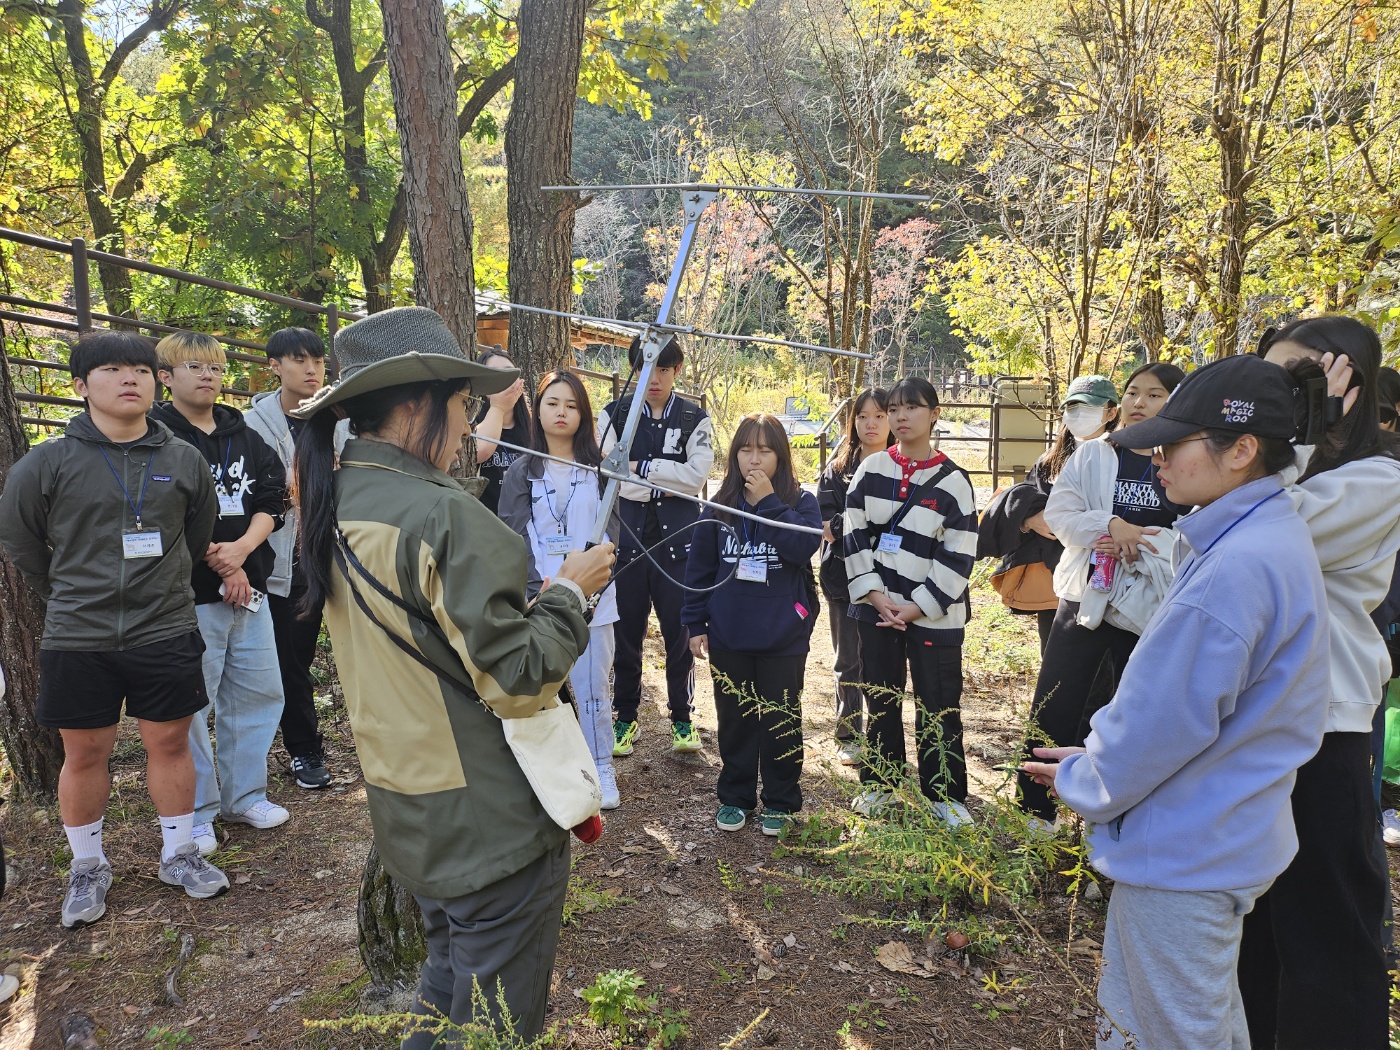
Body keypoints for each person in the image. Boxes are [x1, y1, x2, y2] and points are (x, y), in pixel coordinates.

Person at [291, 307, 615, 1043]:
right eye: (464, 405)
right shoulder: (445, 517)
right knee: (496, 1024)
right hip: (487, 818)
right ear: (415, 405)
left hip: (409, 807)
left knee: (447, 987)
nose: (471, 425)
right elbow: (520, 680)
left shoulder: (339, 497)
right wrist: (569, 593)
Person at [1023, 353, 1332, 1050]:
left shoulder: (1235, 567)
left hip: (1187, 850)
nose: (1156, 457)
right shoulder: (1263, 538)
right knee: (1190, 1021)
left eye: (1175, 442)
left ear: (1242, 449)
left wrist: (1088, 775)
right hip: (1217, 827)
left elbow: (1166, 720)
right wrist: (1102, 756)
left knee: (1170, 1031)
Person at [0, 332, 230, 928]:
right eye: (111, 369)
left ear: (156, 382)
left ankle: (179, 853)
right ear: (81, 386)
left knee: (171, 742)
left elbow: (199, 527)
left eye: (140, 369)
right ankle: (87, 865)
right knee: (85, 752)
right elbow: (21, 540)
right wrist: (69, 594)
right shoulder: (48, 462)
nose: (130, 379)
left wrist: (168, 582)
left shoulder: (182, 458)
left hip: (165, 627)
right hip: (79, 635)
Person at [1238, 316, 1400, 1049]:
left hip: (1326, 728)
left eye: (1303, 379)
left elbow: (1268, 533)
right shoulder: (1260, 472)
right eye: (1274, 380)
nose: (1286, 396)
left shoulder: (1378, 478)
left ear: (1349, 389)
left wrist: (1294, 445)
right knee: (1255, 925)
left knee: (1329, 927)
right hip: (1248, 724)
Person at [1016, 366, 1186, 830]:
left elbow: (1195, 528)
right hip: (1086, 593)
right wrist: (1108, 527)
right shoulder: (1094, 453)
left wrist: (1143, 541)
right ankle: (1034, 810)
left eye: (1154, 394)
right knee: (1054, 700)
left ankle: (1111, 813)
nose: (1139, 402)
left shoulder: (1186, 457)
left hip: (1151, 605)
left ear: (1175, 402)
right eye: (1132, 392)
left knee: (1130, 709)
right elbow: (1061, 512)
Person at [151, 332, 290, 855]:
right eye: (193, 367)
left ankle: (245, 795)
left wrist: (242, 551)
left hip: (248, 587)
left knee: (256, 693)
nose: (208, 375)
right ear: (166, 377)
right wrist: (220, 558)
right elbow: (164, 509)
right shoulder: (157, 433)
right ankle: (199, 810)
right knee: (191, 705)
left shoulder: (244, 433)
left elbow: (273, 498)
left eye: (214, 367)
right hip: (188, 596)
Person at [842, 376, 978, 823]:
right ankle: (880, 781)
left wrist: (919, 605)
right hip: (877, 608)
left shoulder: (954, 481)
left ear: (934, 413)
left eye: (912, 407)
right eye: (895, 408)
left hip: (934, 615)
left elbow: (958, 552)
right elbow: (854, 531)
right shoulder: (872, 469)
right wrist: (876, 595)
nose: (901, 417)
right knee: (880, 695)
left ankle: (944, 794)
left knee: (939, 701)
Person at [683, 414, 823, 836]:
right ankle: (735, 796)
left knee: (781, 719)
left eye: (765, 450)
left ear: (780, 455)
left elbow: (803, 546)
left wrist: (767, 503)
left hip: (783, 636)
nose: (754, 459)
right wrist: (695, 623)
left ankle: (780, 800)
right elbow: (699, 569)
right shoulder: (719, 505)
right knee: (735, 719)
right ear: (735, 455)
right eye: (746, 449)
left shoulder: (800, 502)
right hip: (730, 633)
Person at [500, 370, 622, 810]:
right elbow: (512, 535)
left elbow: (614, 534)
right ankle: (551, 772)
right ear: (538, 410)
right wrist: (538, 589)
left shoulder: (600, 470)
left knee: (593, 688)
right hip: (541, 600)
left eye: (571, 405)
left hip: (596, 601)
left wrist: (593, 585)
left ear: (583, 414)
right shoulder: (521, 471)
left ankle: (601, 765)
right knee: (544, 689)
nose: (562, 412)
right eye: (553, 403)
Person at [598, 335, 715, 756]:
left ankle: (682, 720)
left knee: (679, 635)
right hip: (627, 545)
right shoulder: (614, 415)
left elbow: (696, 476)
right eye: (648, 369)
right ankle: (625, 717)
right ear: (636, 368)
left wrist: (643, 468)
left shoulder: (693, 418)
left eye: (664, 370)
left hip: (679, 547)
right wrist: (666, 478)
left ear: (676, 371)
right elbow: (613, 477)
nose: (656, 379)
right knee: (626, 634)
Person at [245, 326, 332, 790]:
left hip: (334, 554)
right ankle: (305, 749)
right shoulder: (252, 425)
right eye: (299, 360)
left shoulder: (337, 418)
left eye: (317, 359)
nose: (311, 368)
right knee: (290, 659)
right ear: (274, 367)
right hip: (282, 561)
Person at [817, 388, 890, 766]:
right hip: (843, 578)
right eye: (863, 416)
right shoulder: (838, 469)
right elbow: (827, 526)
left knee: (887, 661)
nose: (871, 423)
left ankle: (885, 738)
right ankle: (848, 732)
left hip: (896, 581)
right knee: (849, 658)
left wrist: (854, 524)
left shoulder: (903, 466)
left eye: (879, 415)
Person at [471, 346, 530, 516]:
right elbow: (479, 451)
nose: (504, 381)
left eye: (510, 373)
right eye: (495, 375)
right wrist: (498, 408)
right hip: (485, 525)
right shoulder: (472, 428)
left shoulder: (531, 430)